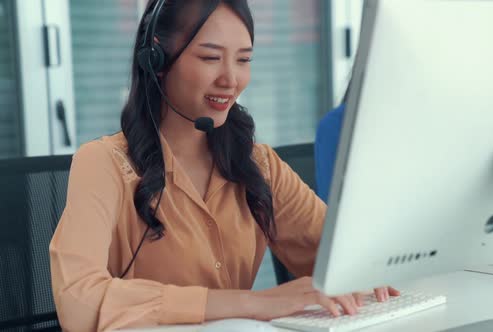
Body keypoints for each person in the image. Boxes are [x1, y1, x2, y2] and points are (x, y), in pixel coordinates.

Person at [49, 1, 399, 331]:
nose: (230, 79)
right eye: (210, 57)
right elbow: (78, 302)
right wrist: (251, 303)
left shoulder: (259, 165)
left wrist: (366, 272)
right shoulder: (104, 164)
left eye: (243, 59)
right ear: (155, 57)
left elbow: (340, 257)